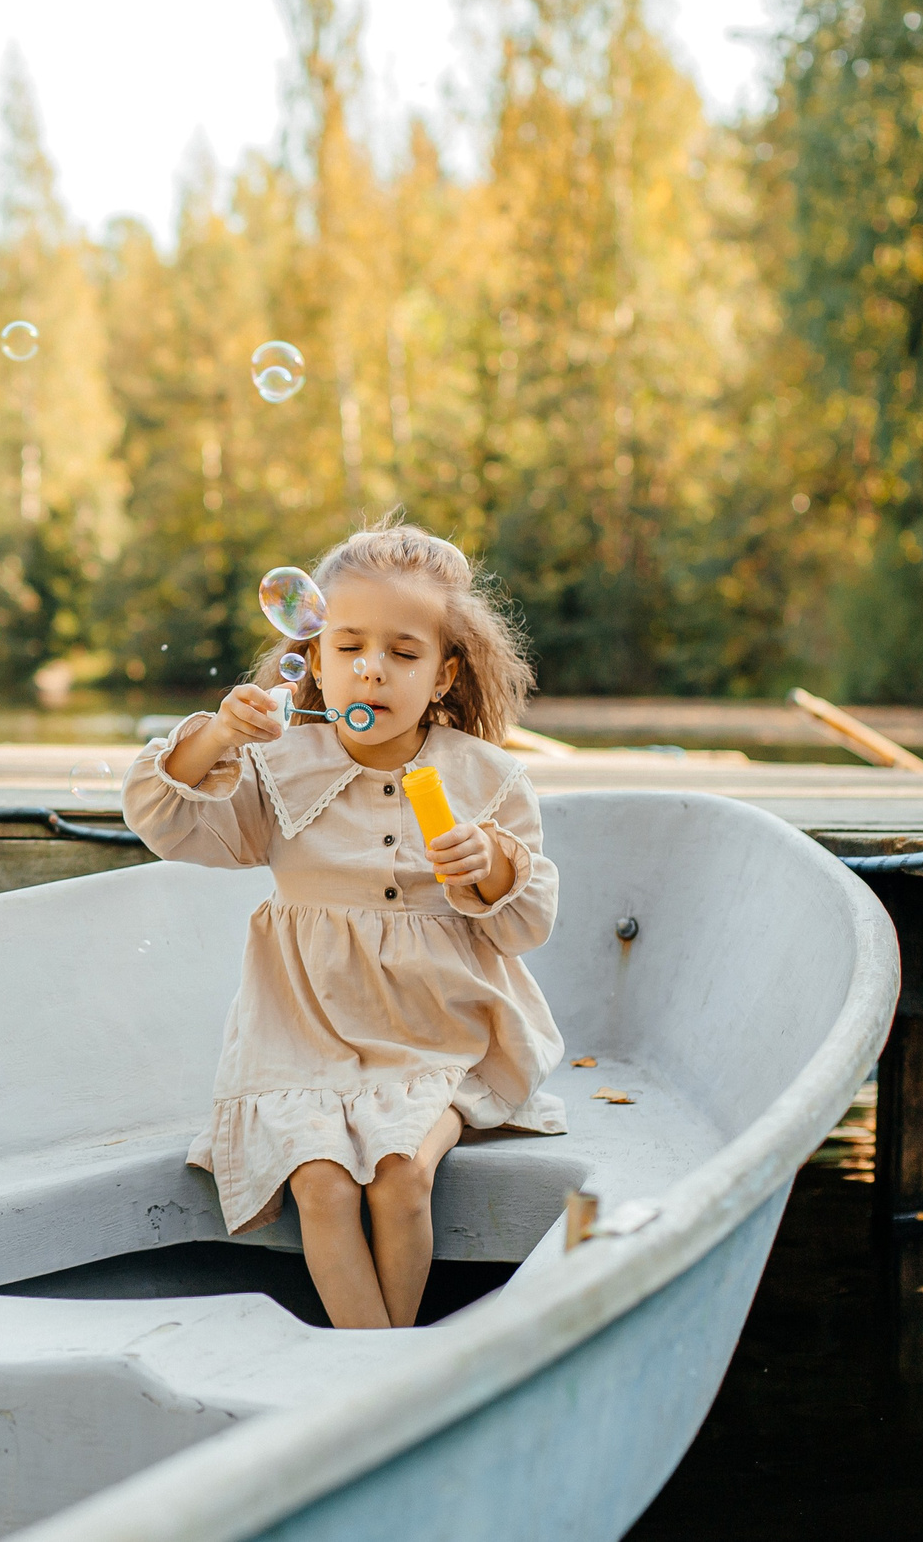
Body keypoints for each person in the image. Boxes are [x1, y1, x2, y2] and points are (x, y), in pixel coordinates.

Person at [122, 521, 566, 1329]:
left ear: (444, 674)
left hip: (437, 1031)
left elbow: (526, 923)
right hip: (305, 1035)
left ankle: (373, 1380)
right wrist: (220, 732)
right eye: (349, 645)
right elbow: (165, 816)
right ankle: (383, 1375)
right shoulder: (279, 765)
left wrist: (490, 864)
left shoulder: (484, 777)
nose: (372, 668)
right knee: (322, 1187)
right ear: (317, 663)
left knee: (401, 1177)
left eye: (403, 652)